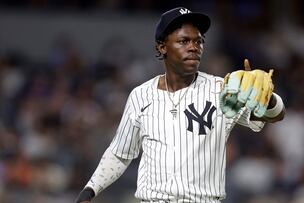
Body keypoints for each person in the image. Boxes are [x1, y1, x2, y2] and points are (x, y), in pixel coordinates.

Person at [75, 7, 285, 203]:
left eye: (199, 41)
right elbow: (120, 154)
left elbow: (274, 115)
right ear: (162, 46)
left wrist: (267, 99)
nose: (194, 47)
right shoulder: (141, 95)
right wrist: (91, 189)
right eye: (184, 41)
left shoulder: (222, 89)